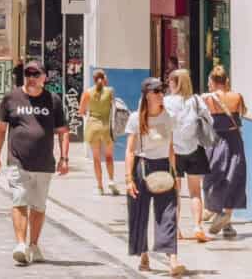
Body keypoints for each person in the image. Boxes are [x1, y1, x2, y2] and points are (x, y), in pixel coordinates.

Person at [0, 59, 70, 267]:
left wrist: (64, 158)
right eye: (28, 74)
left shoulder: (52, 100)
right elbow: (0, 130)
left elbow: (63, 132)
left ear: (45, 78)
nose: (32, 78)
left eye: (36, 74)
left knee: (38, 206)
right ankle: (20, 244)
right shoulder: (11, 98)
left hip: (44, 163)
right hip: (17, 160)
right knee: (19, 199)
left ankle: (34, 244)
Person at [125, 77, 184, 276]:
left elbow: (170, 148)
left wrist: (175, 174)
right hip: (141, 167)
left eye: (162, 90)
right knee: (139, 214)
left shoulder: (168, 116)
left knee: (168, 214)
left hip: (163, 168)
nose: (161, 95)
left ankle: (173, 261)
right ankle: (143, 254)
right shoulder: (136, 118)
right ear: (148, 95)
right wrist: (128, 179)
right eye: (157, 91)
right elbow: (130, 151)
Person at [164, 69, 212, 241]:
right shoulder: (196, 100)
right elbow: (209, 120)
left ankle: (175, 229)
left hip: (173, 151)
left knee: (174, 193)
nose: (168, 82)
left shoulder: (167, 101)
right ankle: (198, 226)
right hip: (195, 149)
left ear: (177, 83)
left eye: (170, 80)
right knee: (195, 192)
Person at [203, 66, 247, 238]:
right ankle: (227, 221)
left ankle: (215, 210)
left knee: (211, 178)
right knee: (234, 179)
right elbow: (243, 113)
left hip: (216, 141)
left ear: (213, 82)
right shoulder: (237, 96)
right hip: (235, 141)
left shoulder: (208, 98)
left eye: (209, 82)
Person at [79, 69, 121, 196]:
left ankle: (99, 186)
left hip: (93, 127)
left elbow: (81, 111)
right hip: (106, 127)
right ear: (104, 78)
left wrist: (90, 114)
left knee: (96, 159)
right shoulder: (110, 91)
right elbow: (114, 107)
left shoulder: (87, 93)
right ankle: (111, 181)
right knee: (109, 157)